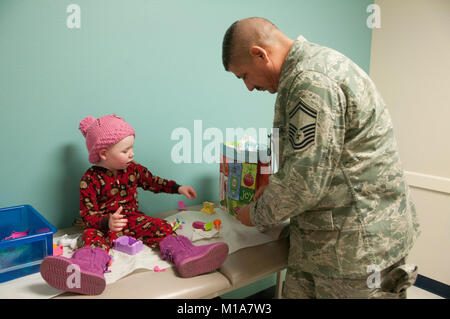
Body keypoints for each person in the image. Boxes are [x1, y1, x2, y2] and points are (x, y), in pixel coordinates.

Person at [222, 17, 420, 298]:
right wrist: (273, 188)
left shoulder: (311, 82)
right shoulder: (308, 71)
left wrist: (254, 214)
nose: (248, 87)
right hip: (331, 244)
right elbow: (308, 161)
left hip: (357, 250)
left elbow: (304, 181)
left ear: (259, 54)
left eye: (243, 75)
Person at [40, 114, 229, 295]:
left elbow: (153, 181)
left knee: (158, 225)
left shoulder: (133, 169)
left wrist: (177, 188)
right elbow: (87, 215)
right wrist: (107, 222)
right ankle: (87, 270)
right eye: (125, 151)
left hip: (132, 220)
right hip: (103, 226)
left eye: (131, 148)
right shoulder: (89, 179)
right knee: (90, 236)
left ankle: (186, 255)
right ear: (104, 154)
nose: (132, 154)